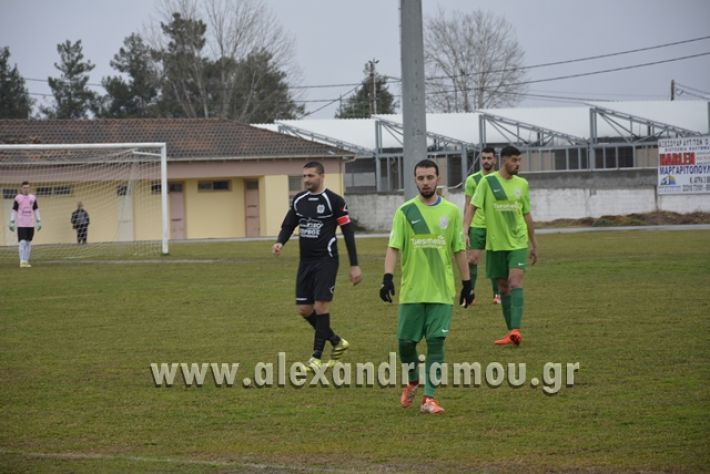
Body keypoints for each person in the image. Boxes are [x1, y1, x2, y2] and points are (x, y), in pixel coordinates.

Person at [380, 159, 473, 415]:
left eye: (430, 177)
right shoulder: (405, 211)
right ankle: (413, 380)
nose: (425, 182)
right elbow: (393, 247)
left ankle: (429, 398)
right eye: (420, 178)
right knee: (405, 344)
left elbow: (459, 249)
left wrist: (467, 283)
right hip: (412, 291)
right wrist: (387, 277)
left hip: (441, 291)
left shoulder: (452, 212)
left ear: (437, 178)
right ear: (415, 180)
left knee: (436, 341)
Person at [273, 162, 363, 372]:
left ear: (322, 176)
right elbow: (289, 224)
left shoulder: (335, 201)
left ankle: (316, 358)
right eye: (304, 176)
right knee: (304, 310)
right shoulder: (299, 200)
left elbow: (348, 233)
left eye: (310, 175)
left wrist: (355, 265)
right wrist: (280, 242)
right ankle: (336, 341)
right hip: (305, 262)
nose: (306, 180)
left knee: (321, 306)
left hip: (326, 260)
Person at [469, 145, 538, 346]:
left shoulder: (522, 184)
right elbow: (472, 207)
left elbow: (526, 214)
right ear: (504, 160)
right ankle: (511, 331)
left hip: (518, 241)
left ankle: (516, 329)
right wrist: (465, 230)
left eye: (519, 160)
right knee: (503, 286)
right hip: (495, 243)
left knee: (515, 281)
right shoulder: (487, 182)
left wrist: (534, 243)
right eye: (514, 160)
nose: (518, 164)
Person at [462, 147, 501, 305]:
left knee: (496, 260)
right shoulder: (472, 180)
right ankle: (470, 294)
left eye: (489, 158)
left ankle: (497, 295)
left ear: (495, 160)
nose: (486, 161)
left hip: (496, 225)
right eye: (483, 158)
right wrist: (465, 228)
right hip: (477, 225)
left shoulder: (500, 179)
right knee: (472, 259)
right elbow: (468, 205)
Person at [8, 181, 41, 268]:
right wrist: (12, 221)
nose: (26, 189)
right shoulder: (18, 198)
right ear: (21, 189)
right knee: (22, 242)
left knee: (28, 243)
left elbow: (36, 209)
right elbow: (14, 210)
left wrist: (39, 221)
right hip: (21, 224)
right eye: (24, 188)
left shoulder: (33, 198)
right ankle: (22, 261)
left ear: (29, 188)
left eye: (27, 187)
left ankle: (26, 261)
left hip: (30, 224)